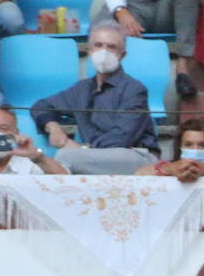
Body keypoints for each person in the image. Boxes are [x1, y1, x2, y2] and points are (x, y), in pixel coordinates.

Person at [31, 21, 159, 174]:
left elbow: (121, 137)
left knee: (66, 156)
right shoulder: (82, 88)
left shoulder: (134, 89)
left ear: (122, 55)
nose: (104, 52)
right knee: (55, 161)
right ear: (89, 50)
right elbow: (40, 106)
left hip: (136, 155)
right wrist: (53, 127)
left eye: (111, 47)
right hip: (95, 158)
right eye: (98, 45)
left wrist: (83, 149)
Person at [100, 0, 200, 98]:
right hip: (133, 4)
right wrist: (121, 11)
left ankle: (183, 66)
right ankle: (112, 85)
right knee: (104, 27)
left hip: (167, 4)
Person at [136, 116, 204, 179]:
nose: (195, 149)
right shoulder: (173, 166)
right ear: (180, 147)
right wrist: (169, 169)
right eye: (188, 144)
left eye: (202, 145)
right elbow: (140, 174)